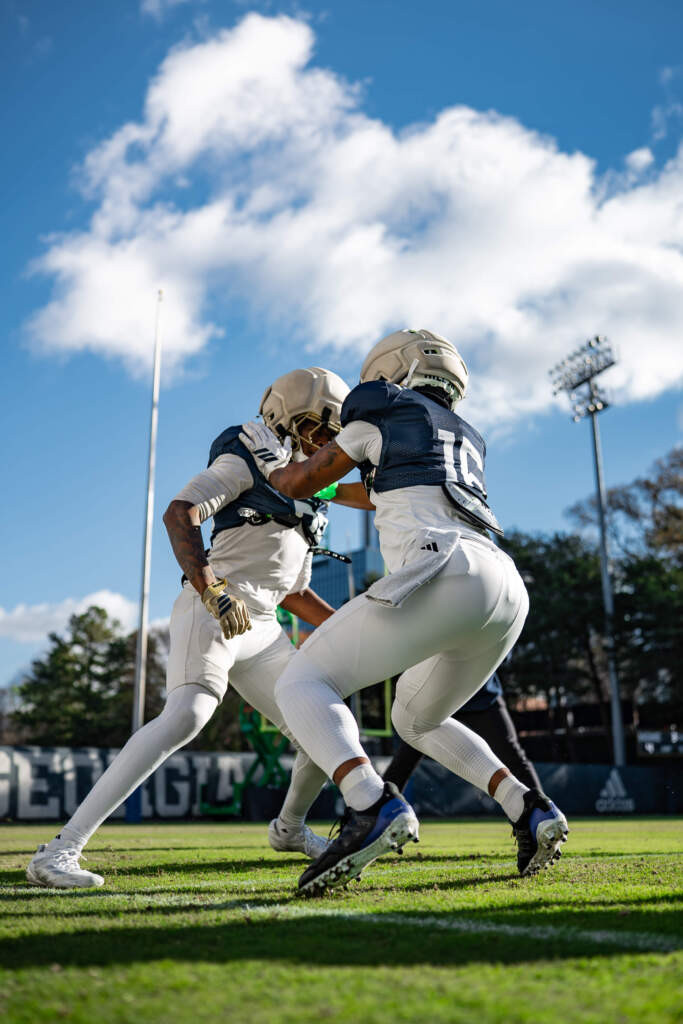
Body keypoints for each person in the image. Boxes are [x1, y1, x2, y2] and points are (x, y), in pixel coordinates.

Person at [240, 328, 568, 894]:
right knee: (416, 719)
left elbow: (299, 479)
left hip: (444, 570)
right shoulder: (459, 434)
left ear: (390, 371)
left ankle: (370, 803)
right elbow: (369, 491)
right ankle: (528, 806)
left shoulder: (383, 411)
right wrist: (322, 491)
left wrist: (270, 464)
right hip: (505, 587)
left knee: (302, 682)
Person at [27, 367, 351, 889]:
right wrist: (211, 588)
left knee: (324, 728)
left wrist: (349, 627)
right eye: (317, 427)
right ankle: (60, 850)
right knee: (188, 713)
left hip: (264, 625)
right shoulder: (247, 454)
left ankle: (289, 829)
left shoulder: (311, 490)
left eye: (332, 432)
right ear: (285, 416)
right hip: (217, 607)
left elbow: (291, 592)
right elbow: (180, 513)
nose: (324, 442)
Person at [383, 671, 543, 794]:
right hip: (438, 698)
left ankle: (542, 813)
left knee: (512, 755)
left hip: (480, 696)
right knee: (404, 760)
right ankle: (378, 815)